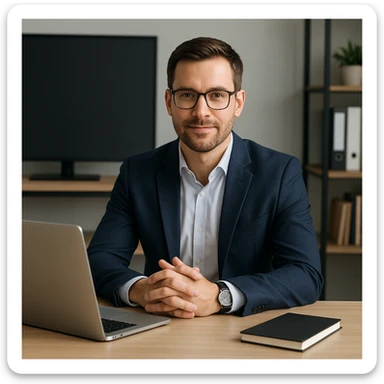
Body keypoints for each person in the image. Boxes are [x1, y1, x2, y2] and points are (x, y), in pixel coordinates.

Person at [87, 36, 323, 319]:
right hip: (161, 326)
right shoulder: (137, 173)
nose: (201, 112)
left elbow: (306, 274)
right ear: (169, 102)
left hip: (244, 330)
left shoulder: (280, 173)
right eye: (187, 94)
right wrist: (142, 289)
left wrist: (221, 295)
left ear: (238, 102)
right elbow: (100, 259)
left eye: (217, 95)